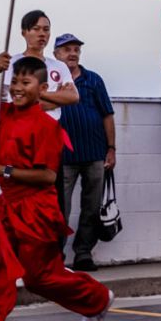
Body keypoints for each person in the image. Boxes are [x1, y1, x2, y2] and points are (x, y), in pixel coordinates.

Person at [0, 54, 112, 321]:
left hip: (36, 209)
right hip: (4, 208)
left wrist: (5, 169)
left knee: (39, 278)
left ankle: (97, 300)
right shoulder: (2, 114)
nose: (17, 88)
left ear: (41, 88)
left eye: (25, 82)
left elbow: (47, 176)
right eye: (14, 81)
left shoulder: (46, 125)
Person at [54, 33, 116, 272]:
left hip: (94, 154)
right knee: (61, 209)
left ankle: (83, 254)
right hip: (63, 157)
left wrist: (111, 149)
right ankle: (55, 255)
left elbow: (107, 115)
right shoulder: (51, 79)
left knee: (91, 207)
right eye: (67, 49)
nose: (72, 53)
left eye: (76, 49)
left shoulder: (94, 80)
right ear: (56, 54)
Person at [7, 9, 78, 119]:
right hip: (22, 126)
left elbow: (73, 97)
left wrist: (37, 95)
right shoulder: (12, 63)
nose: (42, 34)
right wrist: (58, 99)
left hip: (51, 128)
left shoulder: (59, 66)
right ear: (24, 32)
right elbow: (17, 103)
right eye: (36, 29)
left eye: (46, 30)